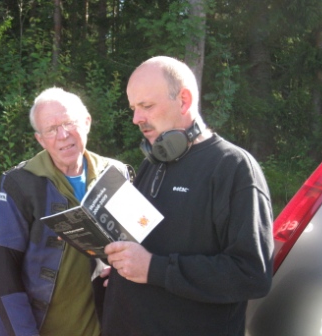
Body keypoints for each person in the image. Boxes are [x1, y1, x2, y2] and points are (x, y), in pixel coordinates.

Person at [101, 56, 274, 336]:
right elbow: (142, 239)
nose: (136, 118)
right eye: (133, 108)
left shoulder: (233, 168)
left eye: (146, 106)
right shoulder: (152, 162)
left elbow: (251, 274)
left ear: (183, 100)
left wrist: (154, 269)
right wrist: (121, 266)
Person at [0, 87, 130, 336]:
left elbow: (139, 241)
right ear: (40, 139)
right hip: (40, 328)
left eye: (68, 123)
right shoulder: (19, 184)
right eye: (51, 129)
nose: (62, 135)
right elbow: (2, 273)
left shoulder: (115, 174)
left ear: (86, 122)